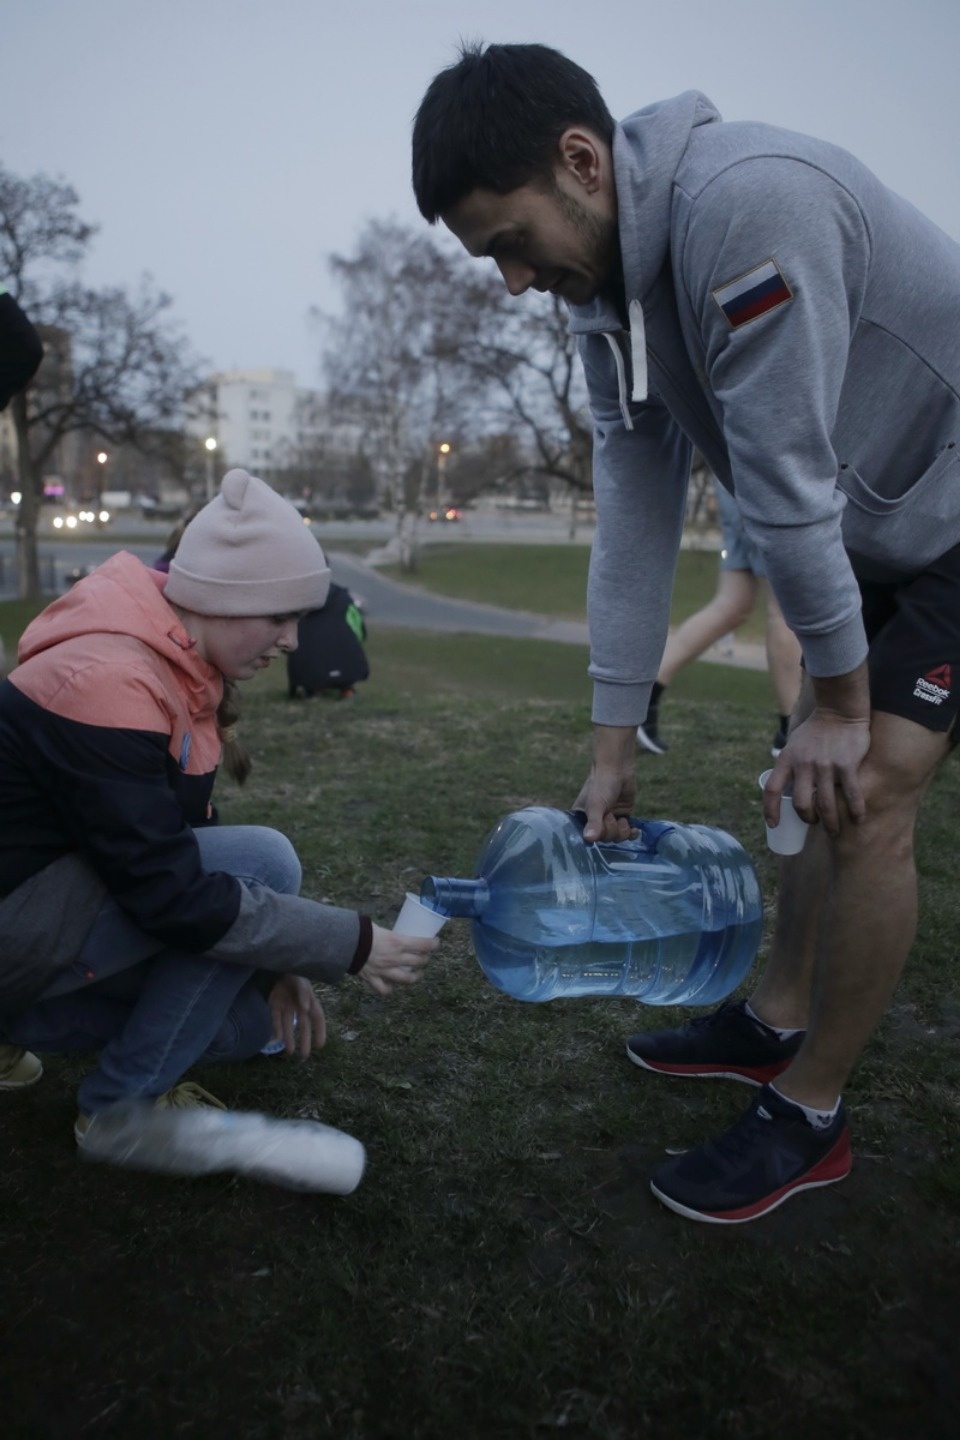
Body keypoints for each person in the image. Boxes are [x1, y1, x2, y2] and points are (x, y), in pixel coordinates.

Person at [412, 43, 960, 1223]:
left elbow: (782, 482)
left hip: (948, 509)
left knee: (868, 784)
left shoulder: (747, 211)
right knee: (816, 782)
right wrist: (612, 746)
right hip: (877, 520)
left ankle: (811, 1115)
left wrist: (846, 704)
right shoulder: (609, 294)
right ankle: (772, 1021)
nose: (509, 280)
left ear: (581, 162)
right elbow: (636, 505)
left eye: (510, 241)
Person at [0, 468, 438, 1190]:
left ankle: (21, 1032)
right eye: (281, 616)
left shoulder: (170, 656)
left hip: (48, 910)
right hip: (19, 924)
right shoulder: (111, 676)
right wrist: (350, 945)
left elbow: (182, 842)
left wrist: (279, 965)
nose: (294, 641)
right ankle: (114, 1111)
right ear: (225, 599)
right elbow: (173, 893)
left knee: (254, 1030)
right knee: (265, 859)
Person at [637, 480, 802, 756]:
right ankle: (792, 732)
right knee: (783, 610)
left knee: (733, 603)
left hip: (733, 481)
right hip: (765, 480)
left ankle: (641, 697)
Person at [287, 581, 370, 700]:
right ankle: (347, 689)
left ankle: (315, 690)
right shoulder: (343, 596)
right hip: (348, 667)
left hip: (309, 666)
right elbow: (358, 631)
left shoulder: (298, 598)